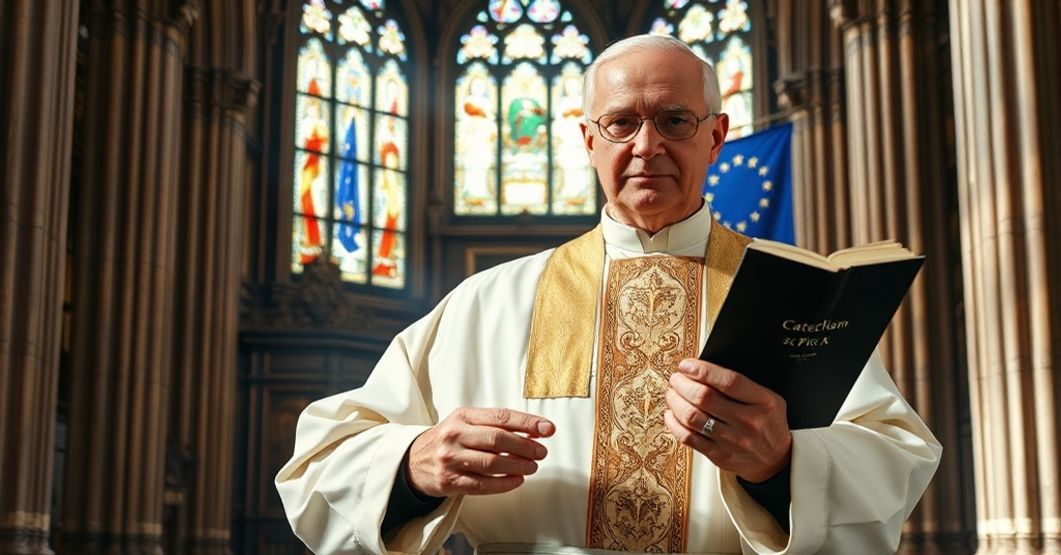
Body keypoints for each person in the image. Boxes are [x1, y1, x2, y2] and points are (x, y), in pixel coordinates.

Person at [276, 34, 941, 554]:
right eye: (620, 123)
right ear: (587, 140)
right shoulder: (489, 300)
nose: (646, 145)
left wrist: (780, 464)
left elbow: (894, 457)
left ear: (715, 136)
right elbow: (318, 466)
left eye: (673, 119)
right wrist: (413, 464)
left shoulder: (792, 293)